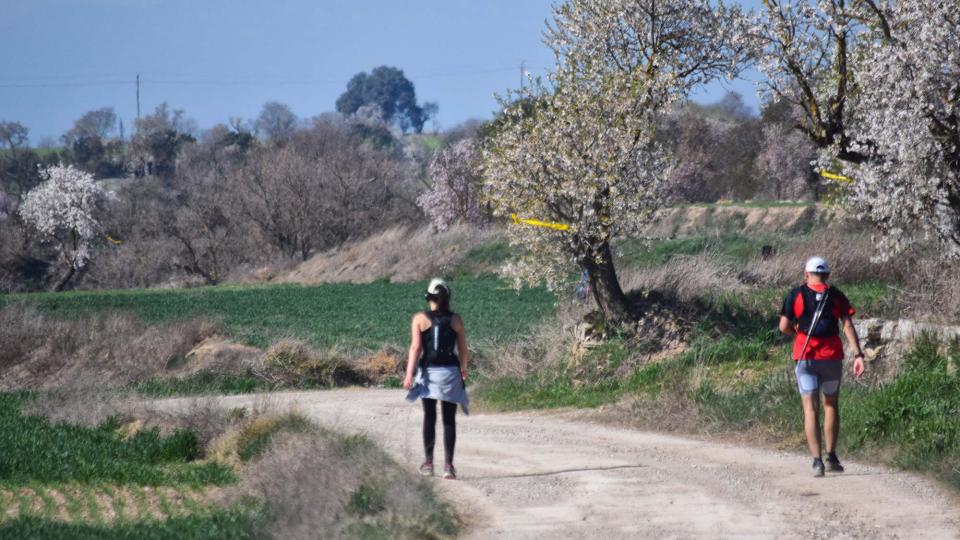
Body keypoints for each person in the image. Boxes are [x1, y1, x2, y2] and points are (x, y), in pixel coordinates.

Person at [779, 256, 866, 477]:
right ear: (827, 275)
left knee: (810, 408)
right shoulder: (836, 296)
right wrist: (858, 354)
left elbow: (783, 326)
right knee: (830, 405)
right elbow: (847, 325)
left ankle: (817, 462)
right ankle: (832, 456)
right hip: (831, 358)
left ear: (806, 274)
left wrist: (798, 334)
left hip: (805, 356)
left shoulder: (796, 295)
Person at [403, 278, 469, 480]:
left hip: (429, 372)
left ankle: (429, 463)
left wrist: (409, 374)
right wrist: (463, 369)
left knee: (429, 417)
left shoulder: (419, 319)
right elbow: (463, 350)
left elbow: (416, 348)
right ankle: (448, 466)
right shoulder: (456, 319)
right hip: (450, 372)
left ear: (428, 297)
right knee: (449, 419)